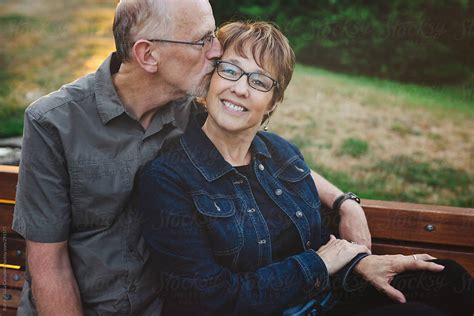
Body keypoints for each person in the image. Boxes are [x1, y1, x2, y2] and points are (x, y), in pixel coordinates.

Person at [11, 1, 371, 315]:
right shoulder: (55, 123)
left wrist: (344, 202)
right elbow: (49, 265)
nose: (216, 51)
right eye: (203, 40)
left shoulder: (191, 106)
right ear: (148, 54)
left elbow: (268, 154)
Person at [139, 21, 473, 316]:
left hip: (325, 299)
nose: (240, 88)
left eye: (259, 81)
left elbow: (322, 244)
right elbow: (209, 299)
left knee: (449, 277)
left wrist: (361, 259)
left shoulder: (280, 153)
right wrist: (318, 264)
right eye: (230, 70)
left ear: (273, 101)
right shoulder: (168, 179)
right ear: (208, 81)